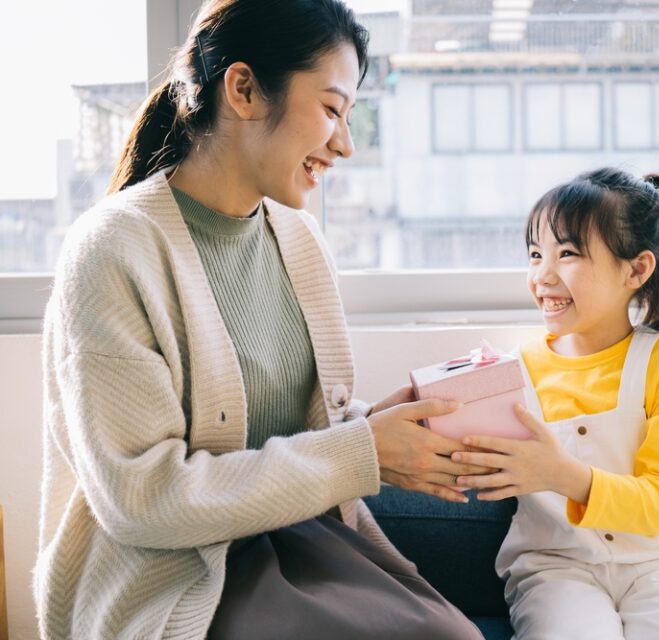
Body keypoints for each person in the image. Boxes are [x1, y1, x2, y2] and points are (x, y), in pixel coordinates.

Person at [34, 1, 487, 638]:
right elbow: (144, 501)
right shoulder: (113, 250)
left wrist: (377, 427)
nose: (347, 144)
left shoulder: (299, 240)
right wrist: (361, 451)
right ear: (244, 89)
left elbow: (287, 427)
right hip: (173, 575)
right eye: (331, 110)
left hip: (294, 543)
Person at [452, 167, 659, 639]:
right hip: (558, 569)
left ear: (636, 270)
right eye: (536, 253)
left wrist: (562, 474)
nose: (542, 275)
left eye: (568, 254)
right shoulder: (511, 372)